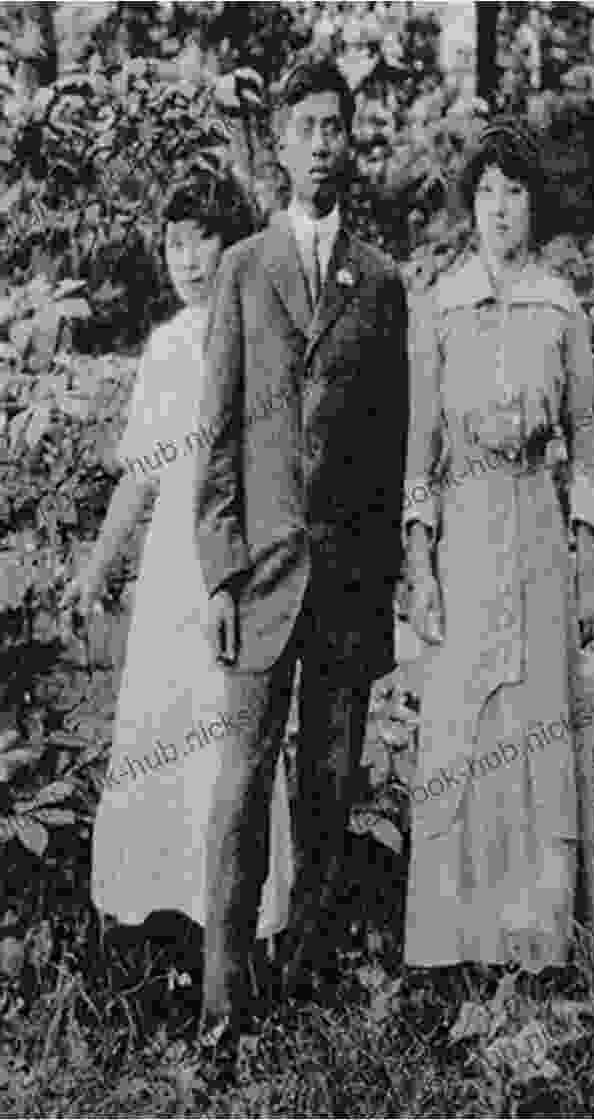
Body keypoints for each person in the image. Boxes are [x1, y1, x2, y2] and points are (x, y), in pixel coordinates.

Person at [193, 55, 409, 1058]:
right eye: (306, 128)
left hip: (347, 588)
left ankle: (307, 990)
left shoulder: (383, 282)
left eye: (337, 126)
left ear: (350, 140)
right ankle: (224, 1012)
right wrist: (223, 572)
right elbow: (220, 434)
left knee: (326, 791)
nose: (324, 145)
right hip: (263, 582)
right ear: (278, 145)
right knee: (241, 794)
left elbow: (388, 445)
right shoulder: (242, 268)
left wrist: (382, 591)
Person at [60, 166, 294, 990]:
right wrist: (95, 571)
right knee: (164, 736)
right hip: (169, 569)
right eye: (175, 244)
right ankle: (160, 942)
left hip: (237, 561)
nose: (190, 260)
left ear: (235, 247)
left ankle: (241, 943)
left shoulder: (264, 334)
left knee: (231, 745)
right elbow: (141, 477)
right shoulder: (164, 346)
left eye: (205, 242)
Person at [403, 118, 594, 973]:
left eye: (514, 191)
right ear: (468, 204)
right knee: (465, 728)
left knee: (538, 719)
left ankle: (541, 941)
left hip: (539, 537)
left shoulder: (562, 309)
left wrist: (588, 567)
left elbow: (588, 451)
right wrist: (418, 561)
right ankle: (462, 944)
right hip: (465, 535)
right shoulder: (439, 309)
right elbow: (417, 451)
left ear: (534, 203)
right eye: (485, 192)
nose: (498, 208)